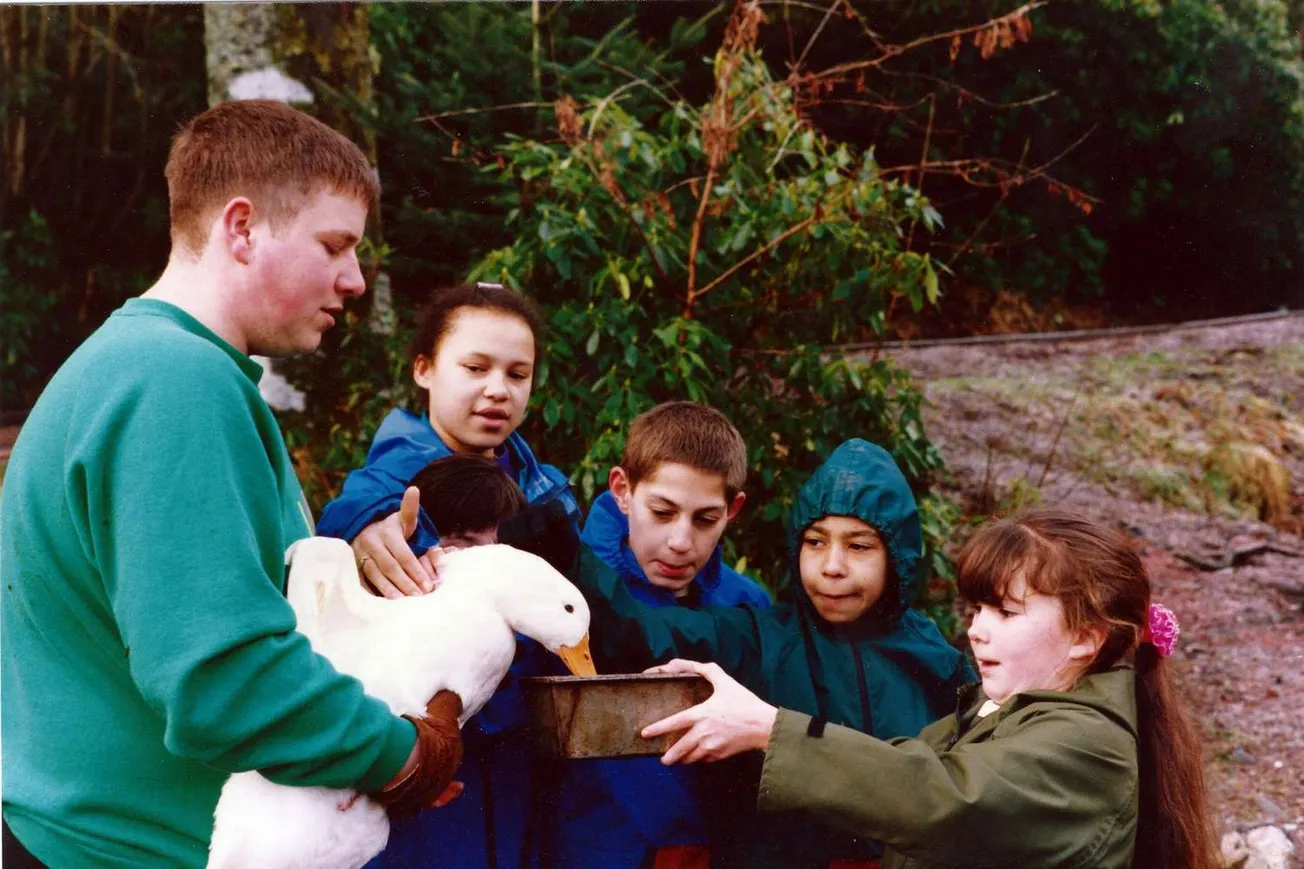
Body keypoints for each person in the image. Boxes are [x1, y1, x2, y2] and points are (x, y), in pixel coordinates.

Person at [0, 100, 462, 869]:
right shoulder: (176, 382)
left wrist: (351, 572)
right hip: (123, 849)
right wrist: (404, 754)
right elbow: (221, 679)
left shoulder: (139, 364)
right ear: (242, 228)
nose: (354, 279)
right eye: (335, 244)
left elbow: (187, 610)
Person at [644, 508, 1220, 869]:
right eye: (976, 608)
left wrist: (769, 729)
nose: (976, 628)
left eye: (1007, 611)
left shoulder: (1085, 745)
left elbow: (938, 795)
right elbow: (903, 766)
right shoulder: (1003, 709)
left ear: (1086, 639)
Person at [569, 438, 974, 868]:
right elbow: (639, 632)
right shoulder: (756, 637)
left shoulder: (941, 664)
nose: (832, 566)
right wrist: (562, 548)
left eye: (858, 546)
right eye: (816, 542)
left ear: (897, 557)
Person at [550, 401, 771, 869]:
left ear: (734, 510)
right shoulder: (561, 590)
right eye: (663, 512)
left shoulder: (747, 604)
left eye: (705, 519)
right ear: (622, 490)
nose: (680, 541)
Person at [361, 453, 565, 869]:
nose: (478, 560)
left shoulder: (528, 639)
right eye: (459, 544)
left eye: (491, 546)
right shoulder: (384, 642)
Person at [316, 281, 580, 598]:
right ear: (424, 369)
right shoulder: (393, 484)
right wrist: (363, 530)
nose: (499, 389)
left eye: (517, 374)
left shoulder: (548, 489)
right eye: (475, 368)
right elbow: (350, 512)